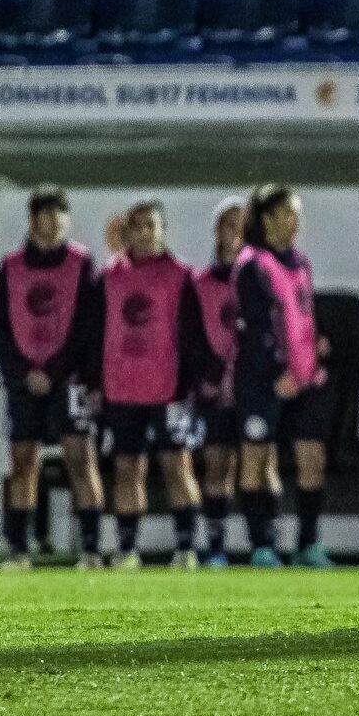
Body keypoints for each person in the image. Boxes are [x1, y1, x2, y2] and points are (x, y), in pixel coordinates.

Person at [86, 202, 217, 570]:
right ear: (127, 233)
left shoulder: (181, 276)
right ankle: (127, 550)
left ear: (164, 230)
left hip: (169, 390)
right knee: (128, 469)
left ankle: (186, 549)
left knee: (178, 466)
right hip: (121, 390)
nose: (146, 232)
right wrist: (93, 382)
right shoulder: (108, 277)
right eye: (139, 226)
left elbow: (195, 334)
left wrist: (194, 383)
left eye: (153, 225)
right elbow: (94, 334)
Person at [0, 186, 101, 570]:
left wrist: (57, 371)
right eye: (46, 215)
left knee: (81, 459)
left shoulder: (81, 263)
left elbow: (88, 328)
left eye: (59, 215)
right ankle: (19, 549)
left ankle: (90, 550)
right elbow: (0, 330)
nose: (53, 222)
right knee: (23, 462)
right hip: (25, 383)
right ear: (32, 220)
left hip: (68, 381)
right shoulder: (11, 267)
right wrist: (23, 374)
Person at [231, 184, 334, 568]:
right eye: (288, 213)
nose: (295, 222)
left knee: (311, 459)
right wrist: (275, 372)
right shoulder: (251, 263)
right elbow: (257, 327)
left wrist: (315, 347)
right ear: (268, 219)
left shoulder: (301, 263)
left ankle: (308, 543)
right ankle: (262, 545)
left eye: (296, 213)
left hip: (306, 379)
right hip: (263, 382)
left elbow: (300, 316)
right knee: (257, 460)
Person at [193, 198, 247, 568]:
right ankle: (215, 547)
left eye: (243, 227)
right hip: (214, 391)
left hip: (254, 387)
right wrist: (213, 377)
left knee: (262, 464)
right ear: (217, 233)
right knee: (217, 466)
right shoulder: (199, 284)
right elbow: (191, 338)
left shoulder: (264, 277)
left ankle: (265, 546)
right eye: (229, 226)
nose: (235, 235)